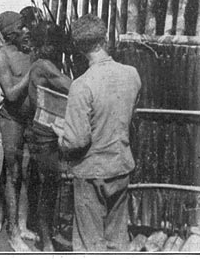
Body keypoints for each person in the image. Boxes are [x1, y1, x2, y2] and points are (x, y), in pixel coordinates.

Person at [52, 14, 140, 251]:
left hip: (92, 173)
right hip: (121, 167)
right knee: (116, 241)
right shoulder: (132, 75)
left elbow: (77, 141)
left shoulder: (82, 85)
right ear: (104, 39)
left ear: (79, 47)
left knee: (90, 245)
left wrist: (61, 134)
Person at [24, 21, 71, 251]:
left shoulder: (43, 63)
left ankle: (45, 234)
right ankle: (46, 240)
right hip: (44, 131)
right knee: (49, 185)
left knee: (47, 184)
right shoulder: (44, 66)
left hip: (45, 128)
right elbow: (70, 86)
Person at [0, 11, 33, 251]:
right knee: (13, 172)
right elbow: (11, 93)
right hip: (12, 119)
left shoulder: (29, 52)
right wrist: (33, 72)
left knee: (26, 171)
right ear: (9, 33)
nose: (26, 31)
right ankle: (12, 231)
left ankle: (22, 223)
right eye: (21, 28)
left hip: (30, 119)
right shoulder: (2, 57)